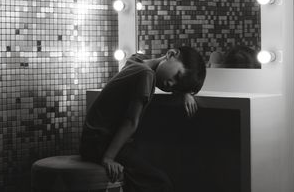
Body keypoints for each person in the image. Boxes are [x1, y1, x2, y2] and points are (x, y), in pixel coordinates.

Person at [79, 46, 206, 192]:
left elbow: (140, 57)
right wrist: (108, 158)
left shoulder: (135, 63)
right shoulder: (146, 75)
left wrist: (183, 92)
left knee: (144, 166)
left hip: (92, 140)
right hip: (101, 145)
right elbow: (131, 121)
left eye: (176, 87)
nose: (171, 85)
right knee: (161, 183)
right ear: (171, 54)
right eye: (177, 76)